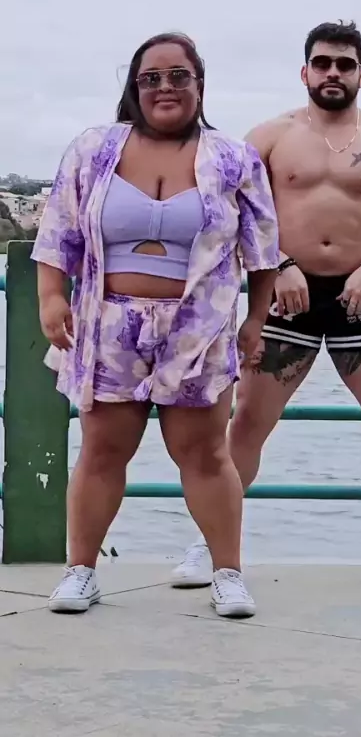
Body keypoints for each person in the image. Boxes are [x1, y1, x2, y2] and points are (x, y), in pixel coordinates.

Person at [172, 20, 361, 592]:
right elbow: (233, 214)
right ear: (304, 71)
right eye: (323, 63)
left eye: (344, 64)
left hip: (358, 296)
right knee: (248, 424)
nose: (333, 73)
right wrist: (277, 264)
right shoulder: (270, 137)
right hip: (284, 296)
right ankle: (210, 546)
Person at [32, 31, 280, 618]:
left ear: (199, 84)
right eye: (151, 78)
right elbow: (59, 228)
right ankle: (80, 572)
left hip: (199, 329)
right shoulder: (94, 148)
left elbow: (263, 247)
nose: (165, 87)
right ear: (134, 87)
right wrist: (50, 296)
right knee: (101, 450)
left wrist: (256, 319)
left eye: (178, 76)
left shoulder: (233, 158)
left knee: (204, 454)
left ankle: (227, 575)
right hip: (107, 325)